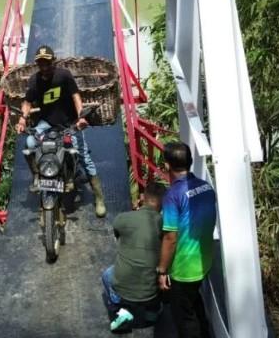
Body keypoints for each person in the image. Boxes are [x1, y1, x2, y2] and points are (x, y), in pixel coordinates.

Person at [15, 45, 107, 217]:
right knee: (29, 143)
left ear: (53, 62)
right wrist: (22, 118)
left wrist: (80, 117)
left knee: (82, 155)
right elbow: (27, 102)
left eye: (47, 63)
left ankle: (99, 197)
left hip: (68, 123)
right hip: (46, 123)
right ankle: (37, 174)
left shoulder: (63, 76)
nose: (44, 67)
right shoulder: (34, 80)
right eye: (41, 64)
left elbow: (76, 96)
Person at [157, 142, 217, 338]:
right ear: (190, 162)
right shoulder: (206, 187)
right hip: (203, 260)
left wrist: (162, 270)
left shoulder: (172, 196)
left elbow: (170, 238)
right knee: (193, 302)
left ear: (167, 166)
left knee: (184, 318)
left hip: (183, 268)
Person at [102, 181, 167, 331]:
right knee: (161, 269)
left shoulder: (123, 218)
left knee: (107, 275)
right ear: (163, 204)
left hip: (123, 289)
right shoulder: (163, 222)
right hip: (151, 291)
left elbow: (117, 235)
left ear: (142, 197)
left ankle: (119, 310)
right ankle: (152, 312)